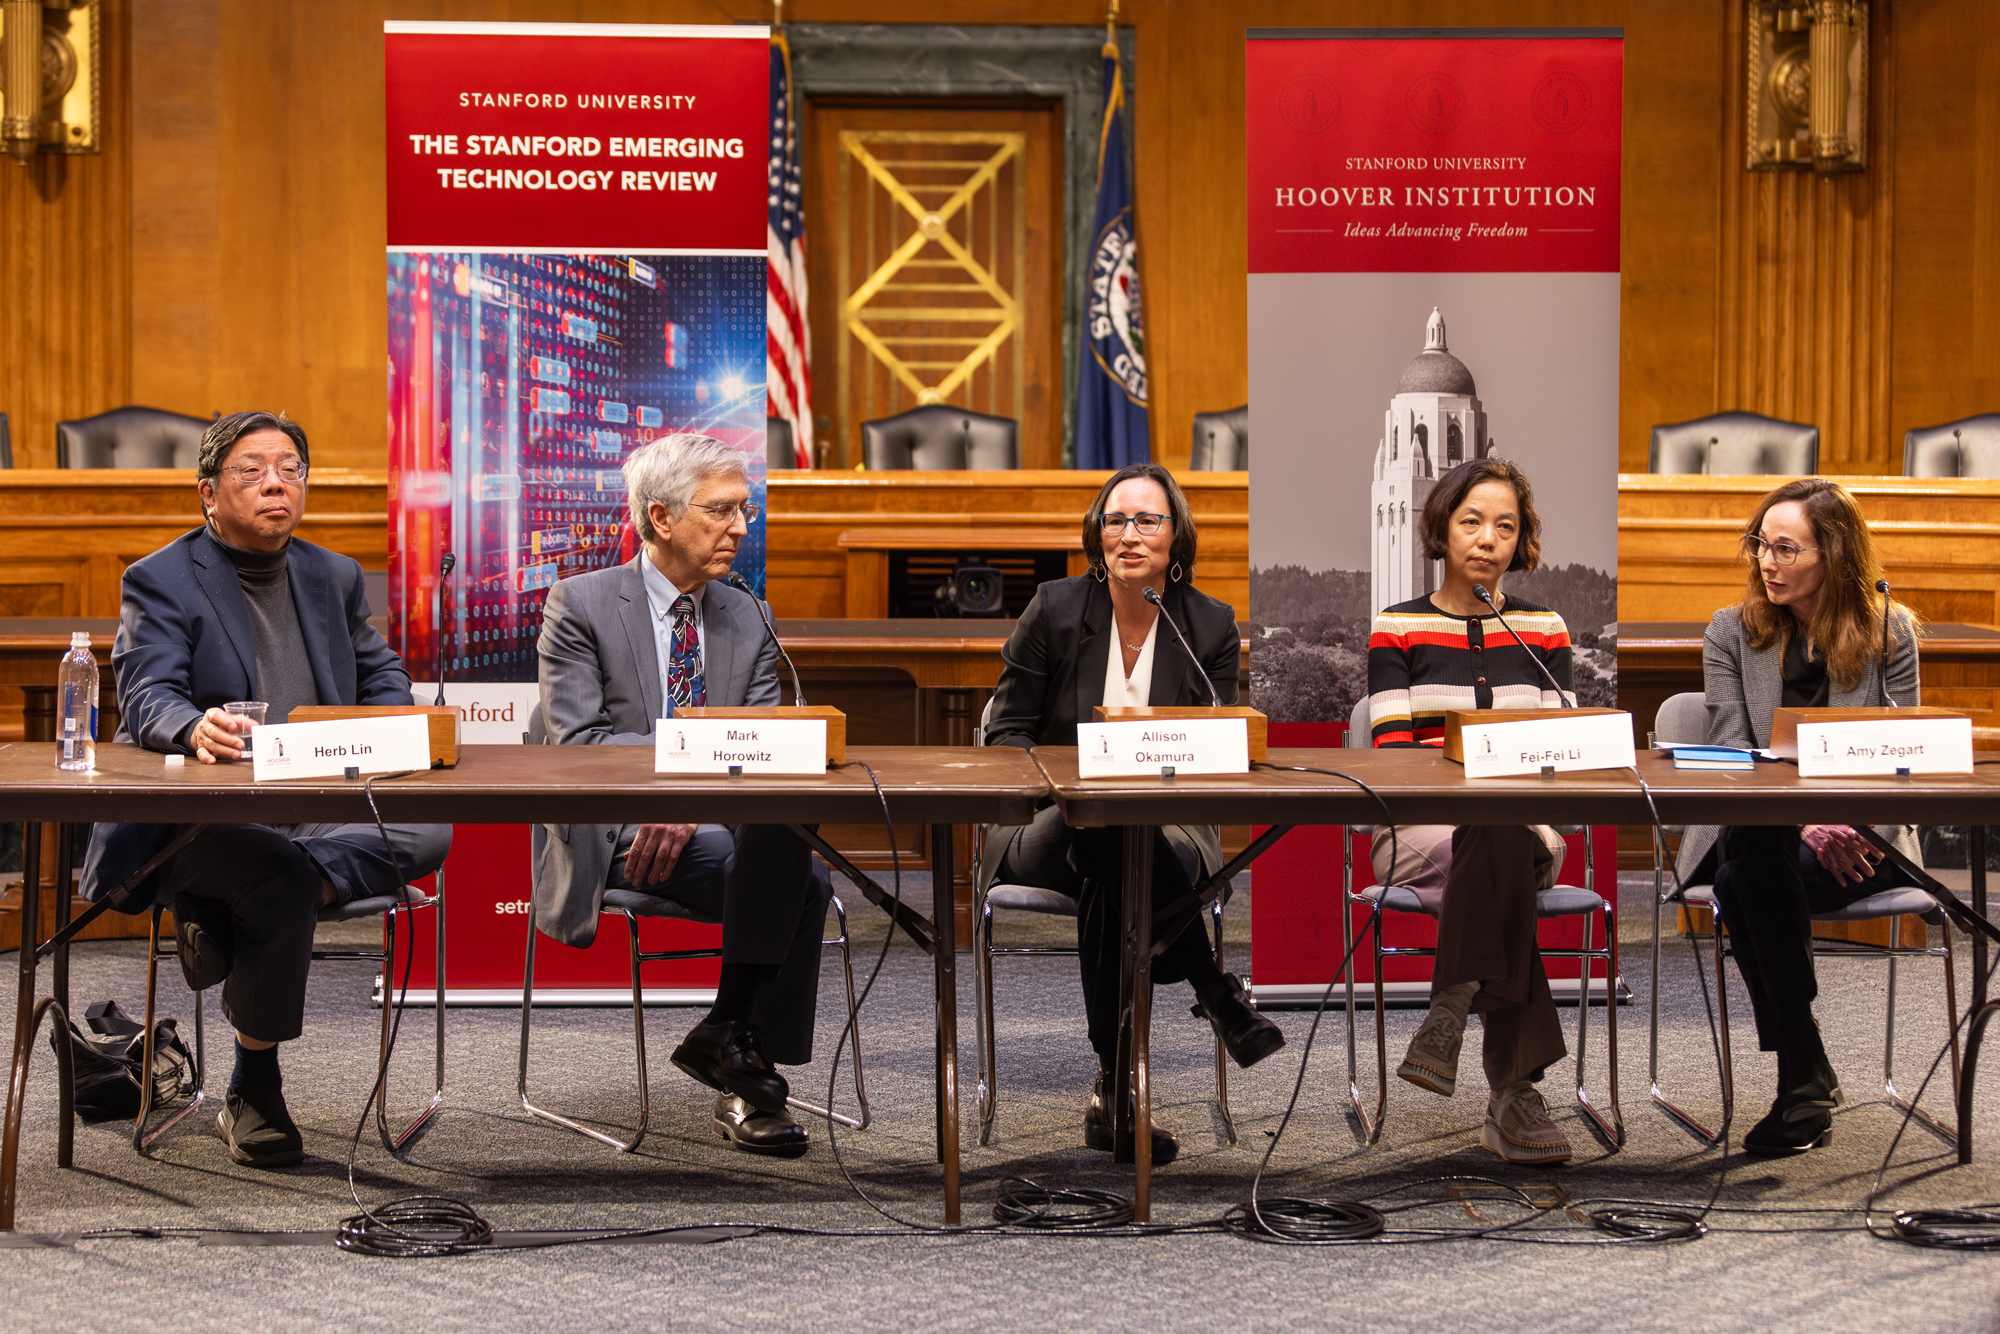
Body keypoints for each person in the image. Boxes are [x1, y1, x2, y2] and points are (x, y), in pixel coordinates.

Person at [80, 411, 452, 1169]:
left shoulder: (333, 575)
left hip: (317, 805)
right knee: (274, 873)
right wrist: (193, 728)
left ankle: (225, 914)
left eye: (290, 468)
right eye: (252, 470)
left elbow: (379, 672)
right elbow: (146, 692)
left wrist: (388, 725)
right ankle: (255, 1085)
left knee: (428, 832)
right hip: (208, 817)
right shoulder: (158, 578)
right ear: (208, 492)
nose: (276, 483)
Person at [534, 432, 831, 1158]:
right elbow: (580, 748)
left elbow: (761, 752)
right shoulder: (581, 604)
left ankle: (734, 1043)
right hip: (615, 828)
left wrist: (695, 801)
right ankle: (743, 1065)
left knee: (784, 848)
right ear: (661, 518)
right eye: (722, 511)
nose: (739, 528)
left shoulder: (747, 615)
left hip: (719, 827)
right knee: (804, 880)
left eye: (744, 512)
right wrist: (674, 790)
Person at [982, 462, 1283, 1165]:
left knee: (1113, 853)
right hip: (1044, 825)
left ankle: (1114, 1089)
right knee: (1102, 828)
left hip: (1165, 828)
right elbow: (1008, 732)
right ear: (1097, 534)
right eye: (1115, 520)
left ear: (1176, 539)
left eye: (1147, 520)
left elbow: (1220, 739)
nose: (1129, 534)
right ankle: (1214, 990)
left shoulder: (1206, 624)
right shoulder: (1054, 609)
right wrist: (1063, 784)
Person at [1676, 477, 1922, 1155]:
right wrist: (1805, 821)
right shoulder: (1731, 631)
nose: (1767, 561)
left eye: (1786, 548)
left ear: (1833, 556)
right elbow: (1731, 755)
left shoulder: (1888, 630)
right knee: (1758, 840)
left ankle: (1802, 1070)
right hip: (1765, 828)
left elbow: (1903, 756)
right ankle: (1802, 1065)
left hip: (1864, 844)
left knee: (1738, 883)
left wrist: (1844, 822)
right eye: (1761, 544)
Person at [1367, 457, 1578, 1165]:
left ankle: (1450, 1007)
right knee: (1493, 836)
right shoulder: (1396, 628)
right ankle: (1515, 1092)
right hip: (1418, 832)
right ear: (1441, 529)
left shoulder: (1545, 629)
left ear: (1522, 541)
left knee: (1501, 831)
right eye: (1472, 521)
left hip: (1525, 831)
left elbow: (1566, 752)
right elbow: (1395, 762)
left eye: (1506, 526)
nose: (1489, 538)